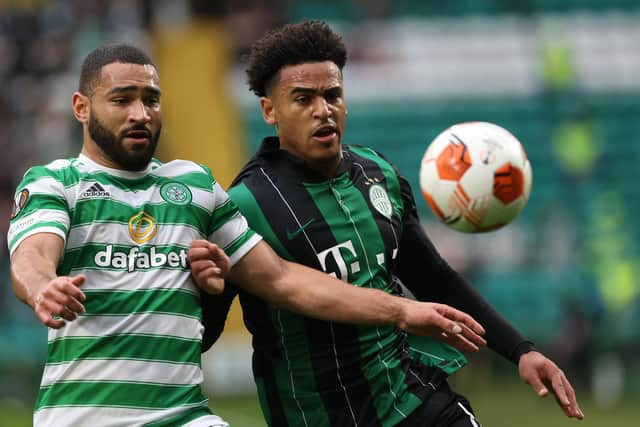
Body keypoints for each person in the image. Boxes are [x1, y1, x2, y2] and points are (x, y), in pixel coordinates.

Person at [7, 43, 487, 427]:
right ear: (81, 107)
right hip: (84, 416)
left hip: (182, 415)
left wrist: (402, 309)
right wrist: (43, 285)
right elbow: (30, 258)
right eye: (122, 99)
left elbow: (281, 279)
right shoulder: (55, 182)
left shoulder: (193, 186)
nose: (140, 113)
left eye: (150, 100)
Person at [201, 20, 584, 426]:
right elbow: (205, 336)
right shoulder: (246, 204)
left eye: (333, 95)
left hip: (411, 399)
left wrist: (521, 350)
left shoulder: (378, 173)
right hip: (318, 417)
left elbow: (433, 276)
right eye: (303, 99)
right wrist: (211, 287)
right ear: (269, 110)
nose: (323, 110)